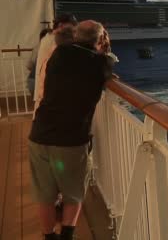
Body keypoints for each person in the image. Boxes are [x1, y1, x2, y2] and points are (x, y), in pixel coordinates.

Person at [29, 20, 113, 240]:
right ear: (101, 39)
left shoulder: (58, 54)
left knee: (45, 196)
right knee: (73, 193)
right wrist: (105, 50)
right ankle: (67, 235)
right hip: (71, 140)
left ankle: (49, 236)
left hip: (39, 135)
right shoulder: (100, 63)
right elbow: (105, 65)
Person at [33, 14, 78, 113]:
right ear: (61, 25)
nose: (74, 30)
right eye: (72, 26)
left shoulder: (48, 37)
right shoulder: (53, 40)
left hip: (43, 86)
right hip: (48, 88)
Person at [26, 28, 52, 95]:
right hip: (41, 81)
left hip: (32, 80)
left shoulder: (36, 48)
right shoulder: (51, 48)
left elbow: (29, 65)